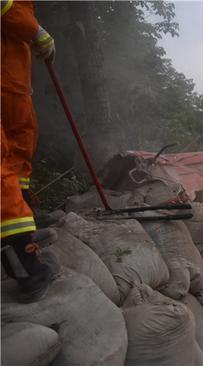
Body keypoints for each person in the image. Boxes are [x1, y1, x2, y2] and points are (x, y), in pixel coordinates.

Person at [1, 0, 58, 302]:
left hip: (11, 84)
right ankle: (26, 264)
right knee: (1, 172)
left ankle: (26, 226)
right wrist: (35, 31)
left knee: (19, 151)